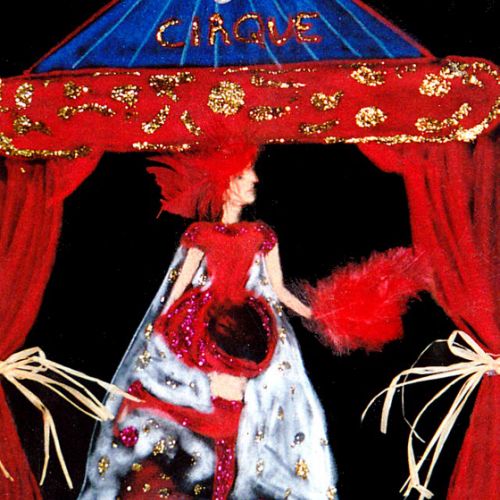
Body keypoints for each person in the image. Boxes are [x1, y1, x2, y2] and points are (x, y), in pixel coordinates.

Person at [79, 140, 338, 499]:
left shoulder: (261, 235)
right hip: (209, 326)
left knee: (235, 416)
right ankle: (155, 415)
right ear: (227, 183)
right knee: (224, 418)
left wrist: (319, 314)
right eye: (245, 175)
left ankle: (150, 407)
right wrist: (161, 332)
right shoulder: (202, 234)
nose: (255, 179)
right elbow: (176, 289)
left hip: (244, 329)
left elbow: (278, 289)